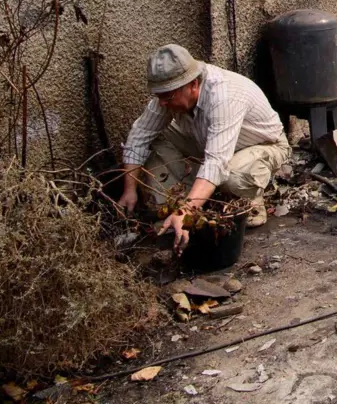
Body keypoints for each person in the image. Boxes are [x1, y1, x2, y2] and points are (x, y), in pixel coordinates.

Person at [117, 44, 290, 252]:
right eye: (158, 95)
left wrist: (185, 214)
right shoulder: (168, 98)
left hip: (263, 145)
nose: (161, 103)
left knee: (230, 174)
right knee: (154, 138)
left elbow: (216, 162)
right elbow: (139, 137)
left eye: (168, 96)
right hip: (210, 144)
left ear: (193, 85)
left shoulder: (224, 96)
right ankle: (181, 204)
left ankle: (249, 201)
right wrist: (129, 190)